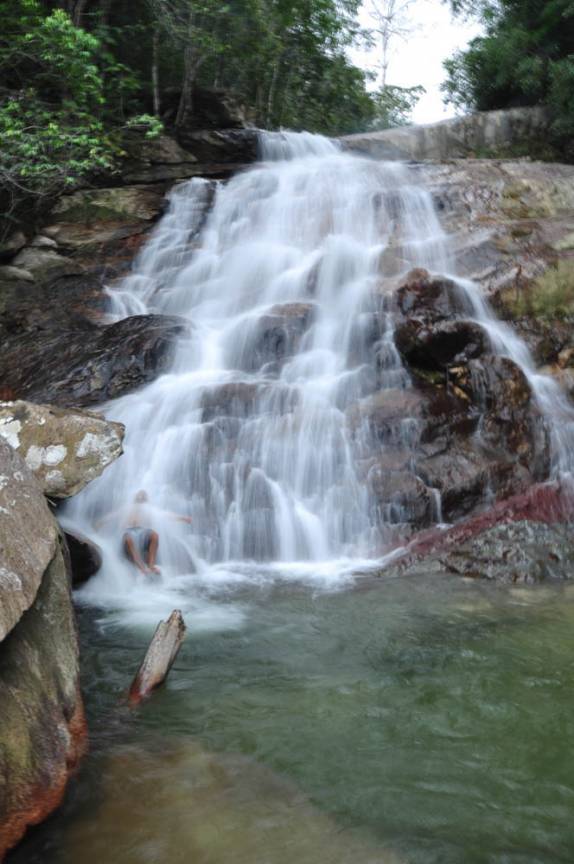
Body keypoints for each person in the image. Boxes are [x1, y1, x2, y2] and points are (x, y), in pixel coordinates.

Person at [96, 489, 193, 576]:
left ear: (146, 498)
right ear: (135, 497)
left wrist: (183, 518)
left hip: (144, 531)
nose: (141, 496)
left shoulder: (149, 508)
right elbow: (113, 515)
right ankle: (141, 566)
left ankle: (151, 565)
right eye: (139, 495)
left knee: (155, 536)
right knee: (128, 539)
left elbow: (166, 515)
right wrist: (100, 522)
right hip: (128, 530)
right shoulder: (127, 508)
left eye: (143, 495)